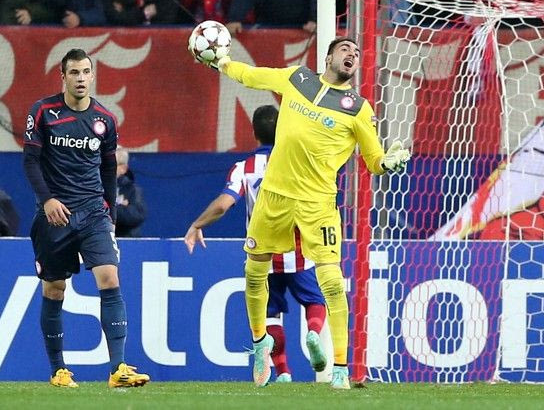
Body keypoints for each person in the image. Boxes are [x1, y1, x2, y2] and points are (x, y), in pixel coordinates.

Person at [199, 37, 410, 389]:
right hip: (275, 195)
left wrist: (388, 162)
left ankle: (340, 368)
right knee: (254, 272)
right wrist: (222, 63)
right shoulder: (298, 78)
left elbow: (374, 160)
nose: (352, 55)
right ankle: (260, 343)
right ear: (328, 57)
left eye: (356, 53)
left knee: (332, 282)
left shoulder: (358, 108)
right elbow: (252, 76)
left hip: (318, 203)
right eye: (345, 50)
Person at [22, 48, 150, 388]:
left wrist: (111, 215)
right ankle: (58, 371)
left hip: (94, 212)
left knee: (109, 277)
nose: (80, 78)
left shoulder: (105, 119)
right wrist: (47, 200)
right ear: (63, 77)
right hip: (55, 216)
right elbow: (31, 162)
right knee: (55, 288)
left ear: (92, 76)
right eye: (74, 72)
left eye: (85, 72)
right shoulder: (43, 112)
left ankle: (118, 369)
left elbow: (109, 170)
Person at [184, 105, 328, 383]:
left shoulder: (244, 168)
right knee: (315, 300)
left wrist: (197, 224)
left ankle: (283, 372)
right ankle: (312, 333)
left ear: (254, 133)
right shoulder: (300, 162)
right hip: (298, 249)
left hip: (262, 254)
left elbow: (223, 205)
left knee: (269, 314)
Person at [115, 147, 146, 237]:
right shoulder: (92, 187)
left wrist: (111, 208)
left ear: (123, 168)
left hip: (125, 239)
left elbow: (137, 215)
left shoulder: (132, 190)